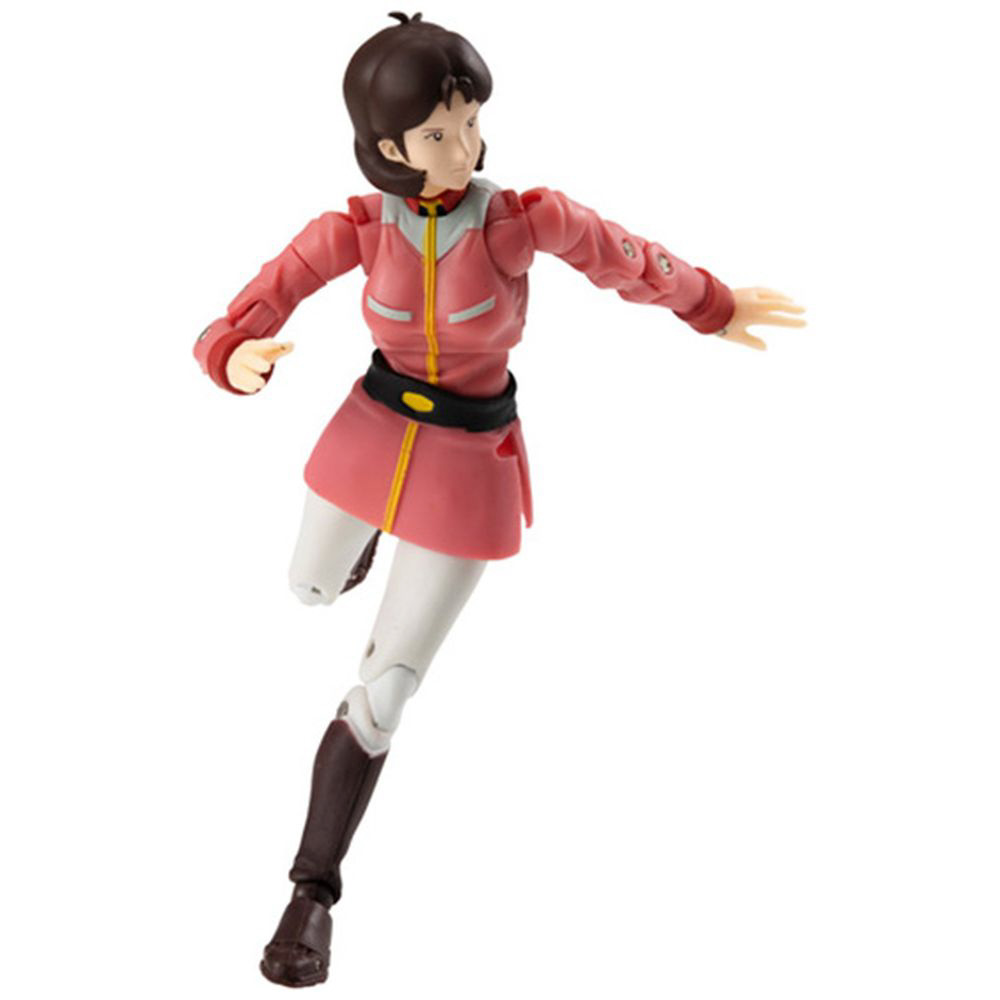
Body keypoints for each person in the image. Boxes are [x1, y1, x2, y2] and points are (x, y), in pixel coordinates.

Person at [194, 11, 805, 988]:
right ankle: (360, 550)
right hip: (369, 431)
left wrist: (713, 304)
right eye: (439, 132)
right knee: (306, 590)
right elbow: (257, 300)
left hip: (468, 463)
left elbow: (626, 257)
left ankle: (312, 894)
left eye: (471, 123)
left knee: (386, 687)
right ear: (389, 147)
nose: (465, 148)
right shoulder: (357, 226)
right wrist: (235, 354)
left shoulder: (521, 218)